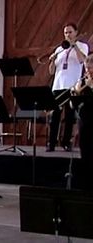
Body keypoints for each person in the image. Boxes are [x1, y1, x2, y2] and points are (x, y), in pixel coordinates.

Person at [47, 22, 89, 152]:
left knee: (70, 116)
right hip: (58, 85)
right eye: (65, 32)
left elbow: (83, 60)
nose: (68, 35)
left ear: (76, 32)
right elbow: (51, 71)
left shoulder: (82, 46)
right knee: (55, 116)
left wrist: (74, 46)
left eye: (70, 32)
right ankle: (52, 143)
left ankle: (66, 143)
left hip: (72, 85)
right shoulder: (60, 49)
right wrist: (52, 60)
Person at [72, 54, 93, 190]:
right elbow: (73, 103)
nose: (88, 72)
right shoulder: (81, 82)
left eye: (90, 69)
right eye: (86, 68)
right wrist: (77, 91)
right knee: (85, 153)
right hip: (85, 123)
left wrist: (90, 87)